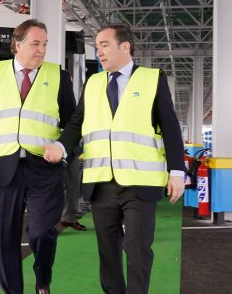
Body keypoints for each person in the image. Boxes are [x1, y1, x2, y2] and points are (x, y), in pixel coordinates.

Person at [43, 25, 185, 294]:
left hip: (139, 183)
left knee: (137, 249)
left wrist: (177, 172)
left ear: (125, 46)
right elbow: (76, 123)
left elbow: (170, 127)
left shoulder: (152, 79)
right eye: (97, 46)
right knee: (108, 252)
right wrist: (61, 146)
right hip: (100, 183)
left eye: (104, 45)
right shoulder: (94, 82)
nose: (99, 51)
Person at [0, 19, 76, 294]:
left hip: (45, 170)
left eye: (45, 44)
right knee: (5, 237)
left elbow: (73, 125)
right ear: (17, 45)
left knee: (42, 232)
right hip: (3, 169)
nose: (41, 50)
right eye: (35, 44)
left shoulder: (59, 76)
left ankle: (42, 279)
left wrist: (63, 153)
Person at [60, 146, 87, 231]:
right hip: (48, 150)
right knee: (49, 187)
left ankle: (69, 219)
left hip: (72, 152)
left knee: (74, 186)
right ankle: (42, 222)